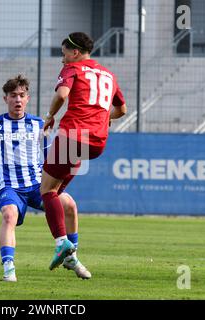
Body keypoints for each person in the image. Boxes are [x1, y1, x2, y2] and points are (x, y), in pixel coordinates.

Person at [0, 75, 91, 282]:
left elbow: (48, 158)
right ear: (5, 99)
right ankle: (9, 268)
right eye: (13, 96)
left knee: (70, 206)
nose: (17, 100)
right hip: (10, 187)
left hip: (39, 185)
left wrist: (57, 182)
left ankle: (71, 257)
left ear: (27, 98)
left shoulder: (39, 124)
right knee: (9, 216)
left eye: (21, 95)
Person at [40, 32, 127, 270]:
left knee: (46, 190)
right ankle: (71, 258)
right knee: (56, 192)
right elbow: (122, 109)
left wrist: (50, 117)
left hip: (73, 135)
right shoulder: (109, 74)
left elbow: (62, 94)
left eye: (64, 53)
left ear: (75, 52)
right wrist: (102, 117)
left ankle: (62, 244)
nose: (63, 59)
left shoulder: (73, 68)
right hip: (97, 142)